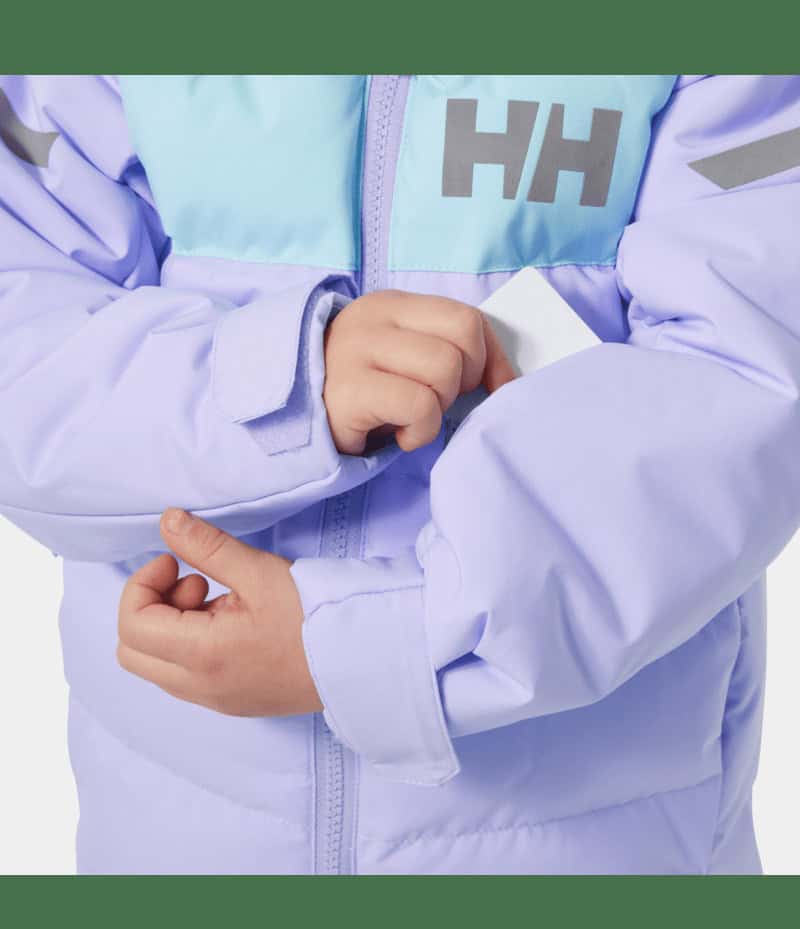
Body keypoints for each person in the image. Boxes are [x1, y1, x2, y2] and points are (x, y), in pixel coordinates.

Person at [1, 74, 798, 874]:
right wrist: (283, 382)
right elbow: (26, 324)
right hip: (177, 828)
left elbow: (744, 374)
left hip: (587, 837)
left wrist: (378, 645)